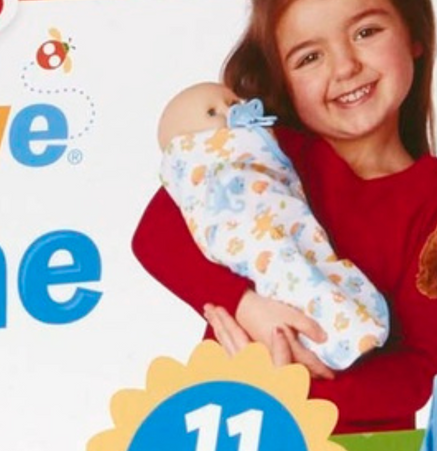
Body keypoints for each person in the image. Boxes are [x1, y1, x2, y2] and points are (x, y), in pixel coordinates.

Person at [131, 0, 437, 432]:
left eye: (366, 32)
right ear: (282, 78)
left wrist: (293, 389)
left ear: (414, 34)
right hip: (229, 431)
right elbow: (155, 236)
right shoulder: (260, 153)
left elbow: (416, 373)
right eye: (310, 56)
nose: (345, 66)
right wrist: (243, 305)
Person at [155, 82, 388, 372]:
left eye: (232, 102)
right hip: (244, 370)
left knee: (306, 260)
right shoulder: (201, 173)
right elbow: (151, 238)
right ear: (187, 149)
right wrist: (243, 305)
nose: (230, 111)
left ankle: (340, 324)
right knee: (279, 265)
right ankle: (335, 329)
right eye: (212, 112)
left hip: (272, 379)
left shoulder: (283, 144)